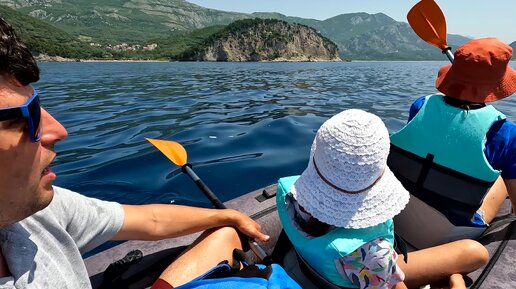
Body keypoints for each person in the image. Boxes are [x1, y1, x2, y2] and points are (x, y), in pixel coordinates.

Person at [0, 16, 276, 289]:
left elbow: (150, 220)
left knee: (225, 234)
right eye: (23, 118)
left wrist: (229, 216)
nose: (59, 130)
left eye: (39, 107)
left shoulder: (37, 213)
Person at [276, 109, 487, 289]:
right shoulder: (369, 253)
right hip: (366, 268)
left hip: (325, 267)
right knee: (474, 252)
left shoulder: (287, 192)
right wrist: (457, 282)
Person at [388, 38, 516, 249]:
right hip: (448, 236)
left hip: (398, 215)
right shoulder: (507, 134)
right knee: (503, 176)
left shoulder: (420, 105)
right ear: (495, 86)